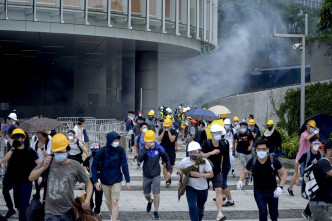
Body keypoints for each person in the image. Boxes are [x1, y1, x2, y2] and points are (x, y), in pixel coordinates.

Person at [29, 133, 93, 220]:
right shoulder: (48, 161)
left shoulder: (75, 165)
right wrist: (43, 167)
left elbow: (88, 184)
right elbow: (31, 177)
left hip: (68, 212)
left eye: (61, 151)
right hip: (50, 212)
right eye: (56, 152)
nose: (59, 154)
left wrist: (88, 200)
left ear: (67, 150)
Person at [237, 139, 287, 221]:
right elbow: (244, 172)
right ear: (256, 150)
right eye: (259, 149)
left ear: (267, 150)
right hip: (259, 192)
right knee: (263, 212)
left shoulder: (273, 160)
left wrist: (280, 188)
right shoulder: (252, 161)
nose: (261, 151)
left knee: (274, 215)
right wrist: (240, 180)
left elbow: (284, 173)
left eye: (263, 149)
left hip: (273, 192)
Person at [1, 128, 40, 221]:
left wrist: (39, 176)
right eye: (15, 137)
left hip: (27, 182)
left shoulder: (30, 151)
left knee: (23, 207)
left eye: (19, 137)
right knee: (18, 205)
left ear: (23, 138)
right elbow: (5, 159)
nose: (17, 139)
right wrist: (13, 148)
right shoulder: (12, 150)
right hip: (15, 182)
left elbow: (39, 164)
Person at [91, 131, 131, 221]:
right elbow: (93, 167)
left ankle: (114, 219)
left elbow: (124, 165)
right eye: (115, 140)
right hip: (105, 180)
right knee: (109, 202)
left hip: (116, 179)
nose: (116, 142)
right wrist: (96, 181)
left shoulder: (120, 150)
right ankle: (112, 215)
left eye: (117, 140)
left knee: (114, 201)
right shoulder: (102, 151)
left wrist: (127, 180)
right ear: (109, 140)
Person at [287, 136, 323, 220]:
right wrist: (297, 177)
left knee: (317, 196)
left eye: (318, 143)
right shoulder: (306, 154)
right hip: (309, 180)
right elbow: (297, 164)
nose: (317, 145)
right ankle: (307, 212)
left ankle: (309, 212)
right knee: (314, 196)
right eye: (315, 143)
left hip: (318, 179)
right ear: (311, 144)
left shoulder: (321, 154)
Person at [138, 130, 171, 220]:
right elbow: (139, 159)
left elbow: (166, 158)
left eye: (150, 141)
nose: (148, 143)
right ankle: (150, 201)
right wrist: (145, 150)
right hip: (147, 175)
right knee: (146, 194)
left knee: (156, 193)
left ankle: (156, 212)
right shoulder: (143, 148)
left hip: (156, 174)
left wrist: (168, 170)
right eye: (147, 141)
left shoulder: (159, 148)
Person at [178, 141, 213, 221]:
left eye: (195, 152)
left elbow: (211, 174)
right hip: (191, 187)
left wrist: (199, 175)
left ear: (199, 152)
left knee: (200, 209)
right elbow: (180, 169)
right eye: (191, 152)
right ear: (188, 152)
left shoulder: (204, 161)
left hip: (203, 188)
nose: (193, 154)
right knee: (192, 207)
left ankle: (199, 216)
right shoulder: (184, 161)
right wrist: (180, 179)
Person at [201, 124, 227, 220]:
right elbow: (201, 155)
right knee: (203, 192)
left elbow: (223, 156)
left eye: (219, 133)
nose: (218, 135)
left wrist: (221, 166)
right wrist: (211, 153)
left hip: (217, 171)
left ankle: (219, 213)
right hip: (205, 171)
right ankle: (200, 209)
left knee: (219, 190)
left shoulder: (222, 144)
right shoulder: (206, 143)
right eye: (216, 133)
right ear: (211, 133)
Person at [309, 141, 332, 221]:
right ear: (328, 150)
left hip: (325, 203)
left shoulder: (329, 163)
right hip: (318, 204)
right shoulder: (324, 162)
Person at [0, 126, 17, 218]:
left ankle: (16, 208)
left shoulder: (18, 144)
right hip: (9, 170)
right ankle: (10, 208)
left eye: (9, 135)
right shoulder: (9, 143)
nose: (8, 137)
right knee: (5, 190)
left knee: (16, 192)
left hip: (17, 172)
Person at [83, 143, 103, 215]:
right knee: (89, 194)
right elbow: (84, 165)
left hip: (100, 179)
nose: (94, 151)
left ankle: (97, 210)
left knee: (99, 196)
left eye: (96, 150)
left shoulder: (103, 158)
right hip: (90, 179)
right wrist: (86, 173)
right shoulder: (89, 158)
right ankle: (90, 208)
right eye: (93, 150)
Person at [158, 118, 177, 187]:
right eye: (165, 126)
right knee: (165, 164)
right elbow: (159, 139)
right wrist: (163, 131)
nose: (166, 127)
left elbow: (172, 140)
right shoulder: (161, 130)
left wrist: (169, 131)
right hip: (163, 150)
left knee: (171, 166)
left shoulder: (174, 131)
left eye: (167, 126)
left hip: (171, 150)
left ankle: (169, 176)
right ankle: (167, 180)